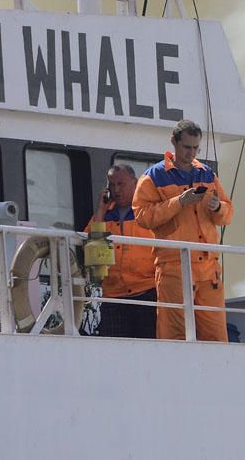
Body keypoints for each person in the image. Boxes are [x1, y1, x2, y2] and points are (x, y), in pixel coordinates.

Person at [132, 119, 233, 341]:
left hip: (208, 268)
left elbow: (228, 213)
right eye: (187, 147)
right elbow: (142, 216)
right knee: (174, 335)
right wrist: (179, 202)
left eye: (195, 148)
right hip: (174, 267)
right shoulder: (153, 177)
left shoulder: (207, 174)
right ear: (174, 143)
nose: (191, 153)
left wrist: (218, 208)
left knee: (216, 336)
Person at [84, 164, 157, 338]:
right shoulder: (104, 216)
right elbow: (92, 251)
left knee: (149, 346)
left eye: (121, 184)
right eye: (112, 185)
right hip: (114, 295)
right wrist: (100, 211)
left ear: (135, 182)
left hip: (147, 291)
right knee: (114, 349)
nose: (116, 190)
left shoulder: (148, 211)